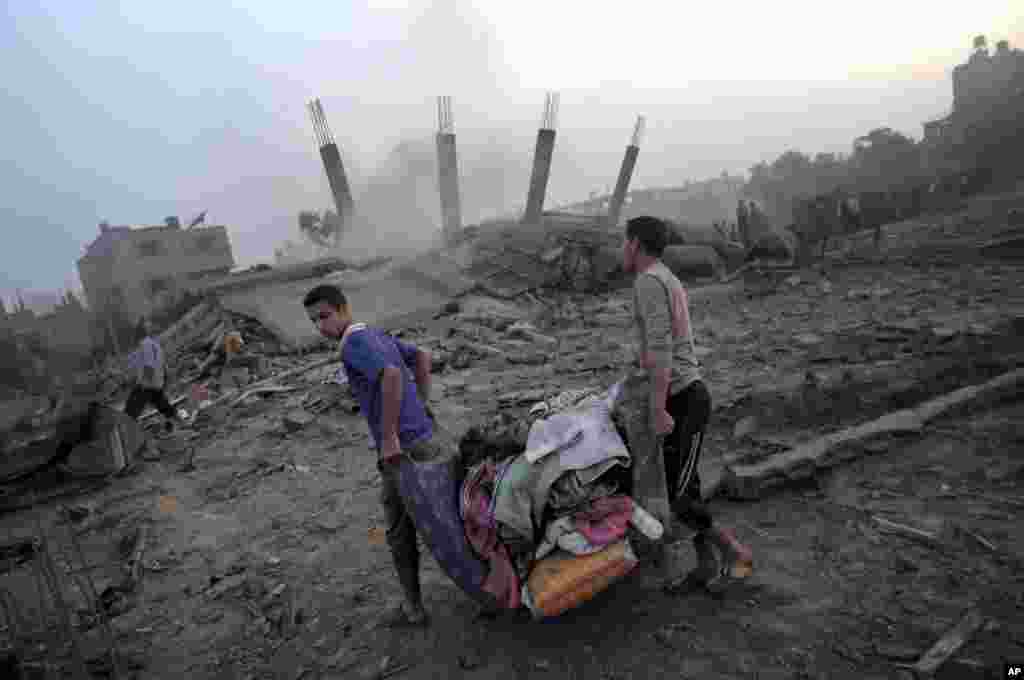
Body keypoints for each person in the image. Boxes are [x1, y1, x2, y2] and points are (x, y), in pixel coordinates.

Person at [617, 215, 753, 592]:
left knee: (679, 497)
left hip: (683, 399)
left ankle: (734, 552)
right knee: (685, 488)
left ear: (635, 244)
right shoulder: (666, 277)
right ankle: (706, 566)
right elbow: (659, 346)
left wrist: (658, 408)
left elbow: (662, 349)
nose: (622, 249)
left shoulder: (648, 281)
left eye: (624, 242)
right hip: (680, 395)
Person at [302, 283, 438, 626]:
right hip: (423, 437)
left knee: (399, 529)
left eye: (324, 316)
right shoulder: (375, 334)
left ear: (343, 309)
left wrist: (389, 436)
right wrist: (421, 404)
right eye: (313, 321)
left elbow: (390, 375)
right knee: (443, 513)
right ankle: (487, 589)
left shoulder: (354, 343)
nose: (320, 326)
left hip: (401, 450)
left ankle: (413, 608)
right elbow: (422, 356)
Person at [124, 318, 179, 433]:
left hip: (147, 384)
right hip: (156, 383)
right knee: (163, 405)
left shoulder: (145, 344)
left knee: (129, 412)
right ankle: (179, 422)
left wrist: (144, 384)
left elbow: (149, 365)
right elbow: (163, 365)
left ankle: (126, 434)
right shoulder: (153, 343)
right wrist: (163, 381)